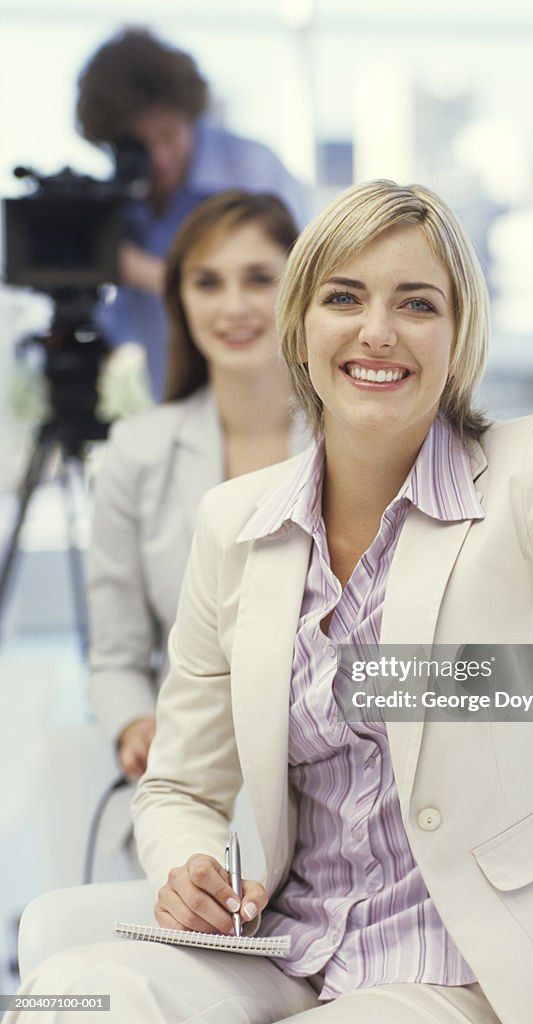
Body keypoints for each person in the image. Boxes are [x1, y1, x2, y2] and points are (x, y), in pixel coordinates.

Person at [13, 161, 533, 1023]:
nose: (378, 330)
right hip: (292, 947)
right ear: (299, 331)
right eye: (343, 298)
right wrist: (186, 864)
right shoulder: (235, 524)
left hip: (470, 968)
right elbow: (180, 785)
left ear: (458, 337)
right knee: (76, 1001)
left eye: (417, 303)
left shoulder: (532, 473)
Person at [87, 189, 305, 785]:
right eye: (206, 282)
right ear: (180, 299)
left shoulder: (363, 441)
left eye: (259, 278)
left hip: (345, 781)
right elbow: (116, 658)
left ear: (301, 288)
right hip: (197, 781)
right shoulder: (136, 451)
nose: (233, 306)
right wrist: (134, 723)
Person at [76, 27, 307, 398]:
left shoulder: (252, 171)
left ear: (190, 117)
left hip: (270, 409)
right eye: (139, 145)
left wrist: (137, 269)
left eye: (168, 136)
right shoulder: (120, 205)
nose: (159, 159)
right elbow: (122, 326)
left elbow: (299, 292)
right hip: (174, 410)